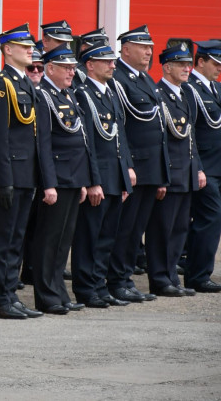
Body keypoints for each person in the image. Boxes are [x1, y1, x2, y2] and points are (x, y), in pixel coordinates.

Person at [0, 23, 51, 320]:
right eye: (25, 47)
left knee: (17, 239)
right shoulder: (2, 85)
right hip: (9, 176)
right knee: (3, 238)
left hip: (26, 175)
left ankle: (11, 293)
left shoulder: (24, 83)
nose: (31, 51)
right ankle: (0, 299)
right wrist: (3, 180)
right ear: (7, 50)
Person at [31, 46, 99, 314]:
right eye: (67, 68)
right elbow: (44, 145)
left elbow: (80, 141)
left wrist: (83, 180)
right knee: (48, 240)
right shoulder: (43, 96)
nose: (73, 72)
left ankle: (59, 291)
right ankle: (46, 296)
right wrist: (49, 183)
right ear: (50, 69)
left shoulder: (67, 94)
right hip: (57, 179)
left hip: (73, 178)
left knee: (63, 240)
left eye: (73, 67)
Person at [71, 41, 136, 308]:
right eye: (106, 61)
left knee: (107, 236)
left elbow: (120, 135)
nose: (113, 65)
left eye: (113, 60)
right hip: (99, 178)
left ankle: (99, 284)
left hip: (114, 176)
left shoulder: (109, 92)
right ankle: (86, 289)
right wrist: (94, 181)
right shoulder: (84, 94)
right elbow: (88, 143)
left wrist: (126, 169)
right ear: (90, 64)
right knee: (89, 237)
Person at [107, 25, 168, 304]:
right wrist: (127, 164)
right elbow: (121, 126)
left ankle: (126, 277)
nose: (149, 52)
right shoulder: (117, 78)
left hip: (151, 167)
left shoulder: (144, 79)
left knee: (136, 229)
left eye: (150, 47)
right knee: (125, 228)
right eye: (143, 47)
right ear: (126, 49)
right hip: (134, 167)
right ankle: (116, 280)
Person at [146, 40, 204, 297]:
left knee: (180, 229)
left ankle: (171, 276)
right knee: (162, 230)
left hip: (187, 173)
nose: (186, 69)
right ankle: (160, 279)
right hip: (170, 174)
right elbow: (159, 140)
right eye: (181, 65)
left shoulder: (186, 94)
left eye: (188, 64)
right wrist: (162, 176)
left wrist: (198, 168)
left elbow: (190, 136)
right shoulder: (159, 95)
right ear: (166, 68)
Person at [184, 39, 221, 293]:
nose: (218, 68)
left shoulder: (215, 88)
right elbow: (189, 132)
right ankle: (197, 275)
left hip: (218, 165)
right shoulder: (190, 89)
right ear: (201, 62)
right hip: (204, 166)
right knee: (209, 216)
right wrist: (196, 166)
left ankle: (200, 271)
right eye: (215, 63)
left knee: (212, 219)